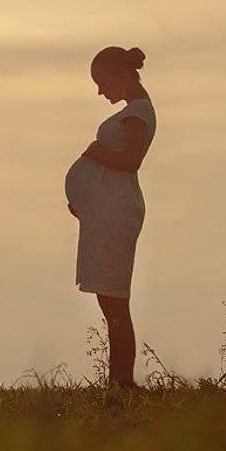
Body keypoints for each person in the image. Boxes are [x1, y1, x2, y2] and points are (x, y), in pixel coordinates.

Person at [64, 46, 156, 388]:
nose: (100, 91)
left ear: (122, 76)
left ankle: (122, 383)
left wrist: (95, 153)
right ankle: (119, 381)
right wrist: (86, 203)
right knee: (111, 301)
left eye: (102, 82)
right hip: (108, 212)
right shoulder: (135, 110)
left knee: (115, 301)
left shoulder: (138, 113)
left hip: (117, 213)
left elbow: (130, 160)